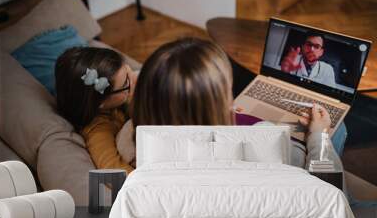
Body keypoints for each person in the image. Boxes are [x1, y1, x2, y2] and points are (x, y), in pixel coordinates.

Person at [129, 37, 344, 168]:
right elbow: (327, 192)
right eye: (226, 91)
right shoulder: (263, 148)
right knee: (340, 128)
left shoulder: (135, 144)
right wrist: (319, 136)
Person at [55, 47, 137, 174]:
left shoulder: (121, 97)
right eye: (126, 84)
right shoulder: (98, 130)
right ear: (101, 103)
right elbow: (113, 170)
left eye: (126, 68)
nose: (132, 77)